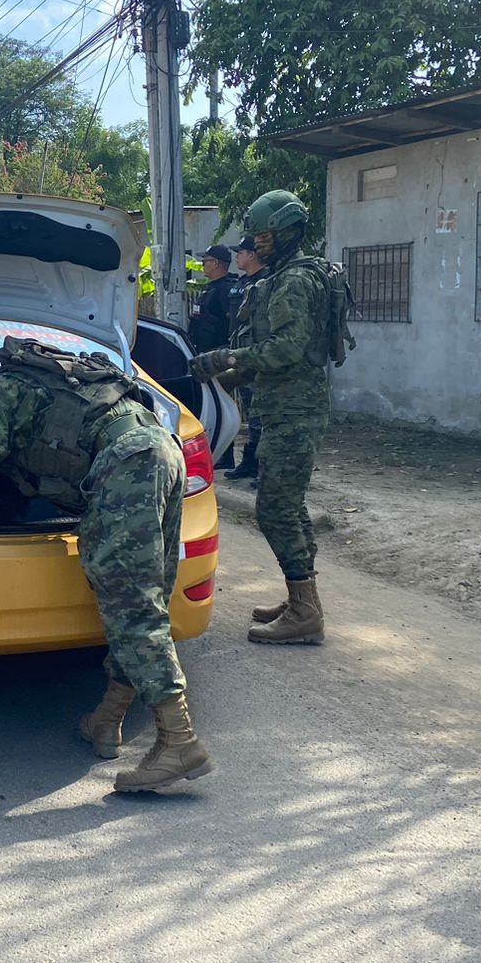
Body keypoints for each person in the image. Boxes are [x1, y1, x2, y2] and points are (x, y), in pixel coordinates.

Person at [0, 339, 214, 792]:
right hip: (161, 451)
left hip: (126, 463)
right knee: (145, 597)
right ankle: (106, 721)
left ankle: (179, 741)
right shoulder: (37, 382)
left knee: (133, 608)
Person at [189, 190, 331, 646]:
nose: (256, 241)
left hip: (295, 410)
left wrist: (225, 358)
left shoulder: (293, 282)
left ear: (286, 232)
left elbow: (287, 349)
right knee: (290, 506)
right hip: (288, 407)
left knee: (275, 510)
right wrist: (221, 380)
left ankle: (305, 612)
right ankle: (301, 600)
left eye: (263, 234)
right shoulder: (286, 275)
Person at [223, 235, 267, 483]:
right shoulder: (242, 283)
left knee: (261, 417)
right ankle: (249, 462)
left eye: (240, 252)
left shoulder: (267, 282)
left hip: (257, 358)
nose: (237, 256)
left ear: (252, 254)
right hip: (240, 356)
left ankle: (264, 467)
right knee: (250, 415)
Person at [188, 243, 240, 353]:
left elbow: (234, 322)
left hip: (217, 354)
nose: (202, 265)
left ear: (215, 263)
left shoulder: (226, 289)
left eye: (205, 262)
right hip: (203, 352)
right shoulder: (211, 287)